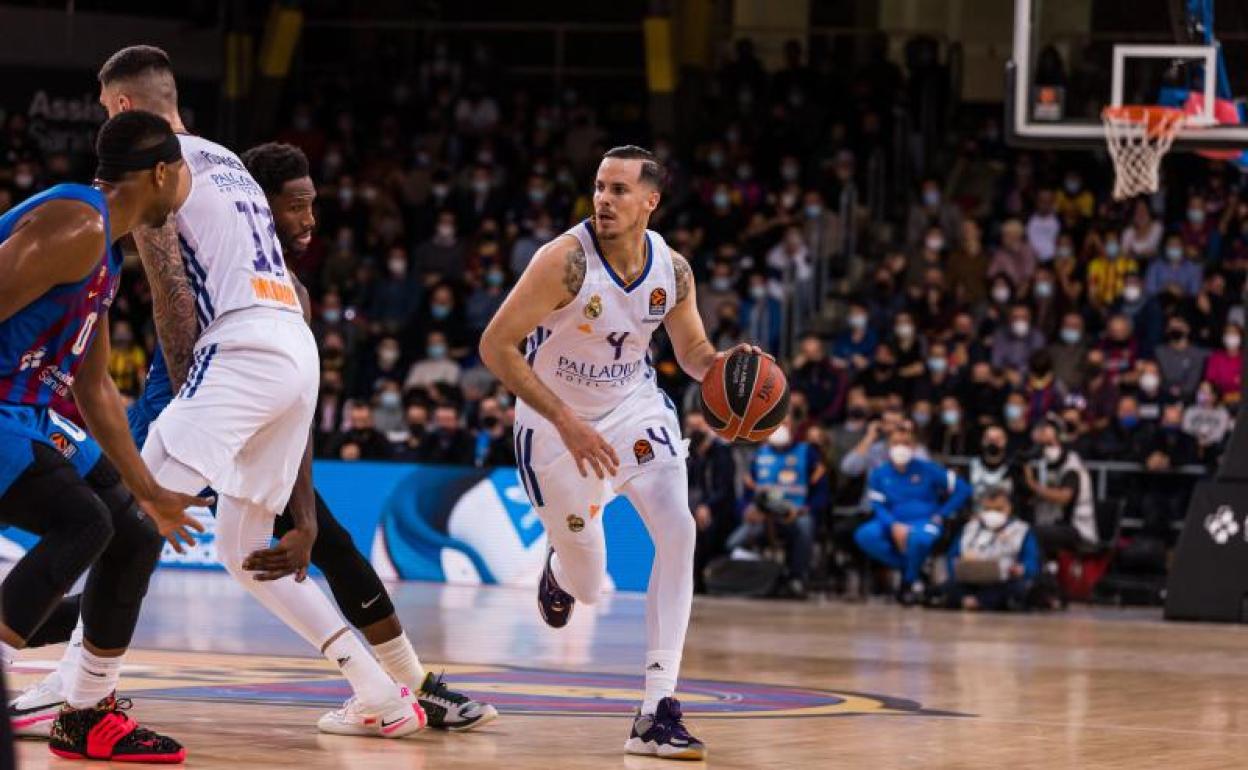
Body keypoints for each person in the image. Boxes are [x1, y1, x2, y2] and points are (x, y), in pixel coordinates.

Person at [10, 118, 495, 739]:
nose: (308, 219)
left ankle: (78, 691)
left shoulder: (177, 214)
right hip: (272, 367)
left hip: (233, 369)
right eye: (296, 205)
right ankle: (384, 694)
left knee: (128, 528)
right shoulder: (251, 254)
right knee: (239, 551)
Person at [480, 146, 759, 759]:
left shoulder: (673, 270)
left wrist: (723, 371)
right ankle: (560, 570)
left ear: (650, 201)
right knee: (588, 586)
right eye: (599, 187)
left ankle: (657, 709)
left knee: (679, 530)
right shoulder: (564, 261)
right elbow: (495, 345)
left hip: (634, 407)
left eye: (619, 190)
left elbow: (692, 352)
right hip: (553, 425)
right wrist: (565, 421)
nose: (603, 200)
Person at [0, 111, 208, 762]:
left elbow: (94, 392)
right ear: (162, 173)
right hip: (4, 408)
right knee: (84, 523)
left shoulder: (107, 255)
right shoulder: (76, 225)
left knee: (134, 532)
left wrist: (149, 491)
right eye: (185, 174)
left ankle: (86, 714)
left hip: (33, 410)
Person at [854, 425, 971, 605]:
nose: (901, 447)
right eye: (896, 443)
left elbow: (963, 489)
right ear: (889, 446)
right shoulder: (879, 473)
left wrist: (943, 513)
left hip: (925, 520)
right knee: (864, 535)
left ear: (914, 446)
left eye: (906, 443)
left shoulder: (929, 469)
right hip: (893, 520)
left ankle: (908, 582)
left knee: (919, 539)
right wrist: (892, 524)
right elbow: (877, 504)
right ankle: (910, 568)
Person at [728, 417, 827, 597]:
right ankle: (760, 581)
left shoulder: (808, 453)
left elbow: (822, 494)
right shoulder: (759, 455)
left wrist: (806, 509)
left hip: (795, 513)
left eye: (785, 424)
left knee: (805, 526)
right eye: (776, 423)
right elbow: (746, 495)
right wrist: (747, 510)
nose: (780, 428)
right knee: (733, 543)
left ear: (794, 427)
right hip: (763, 516)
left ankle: (797, 578)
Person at [944, 486, 1040, 611]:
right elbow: (952, 556)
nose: (993, 514)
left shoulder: (1021, 530)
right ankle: (969, 600)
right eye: (988, 509)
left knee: (1016, 588)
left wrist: (1021, 569)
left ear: (1009, 508)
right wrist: (958, 566)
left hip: (1003, 580)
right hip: (971, 579)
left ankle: (977, 601)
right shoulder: (970, 528)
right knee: (948, 586)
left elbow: (1031, 562)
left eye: (998, 509)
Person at [1025, 419, 1097, 556]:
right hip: (1054, 524)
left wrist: (1032, 485)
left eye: (1048, 445)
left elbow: (1064, 497)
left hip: (1078, 529)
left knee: (1030, 533)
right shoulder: (1044, 466)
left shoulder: (1072, 464)